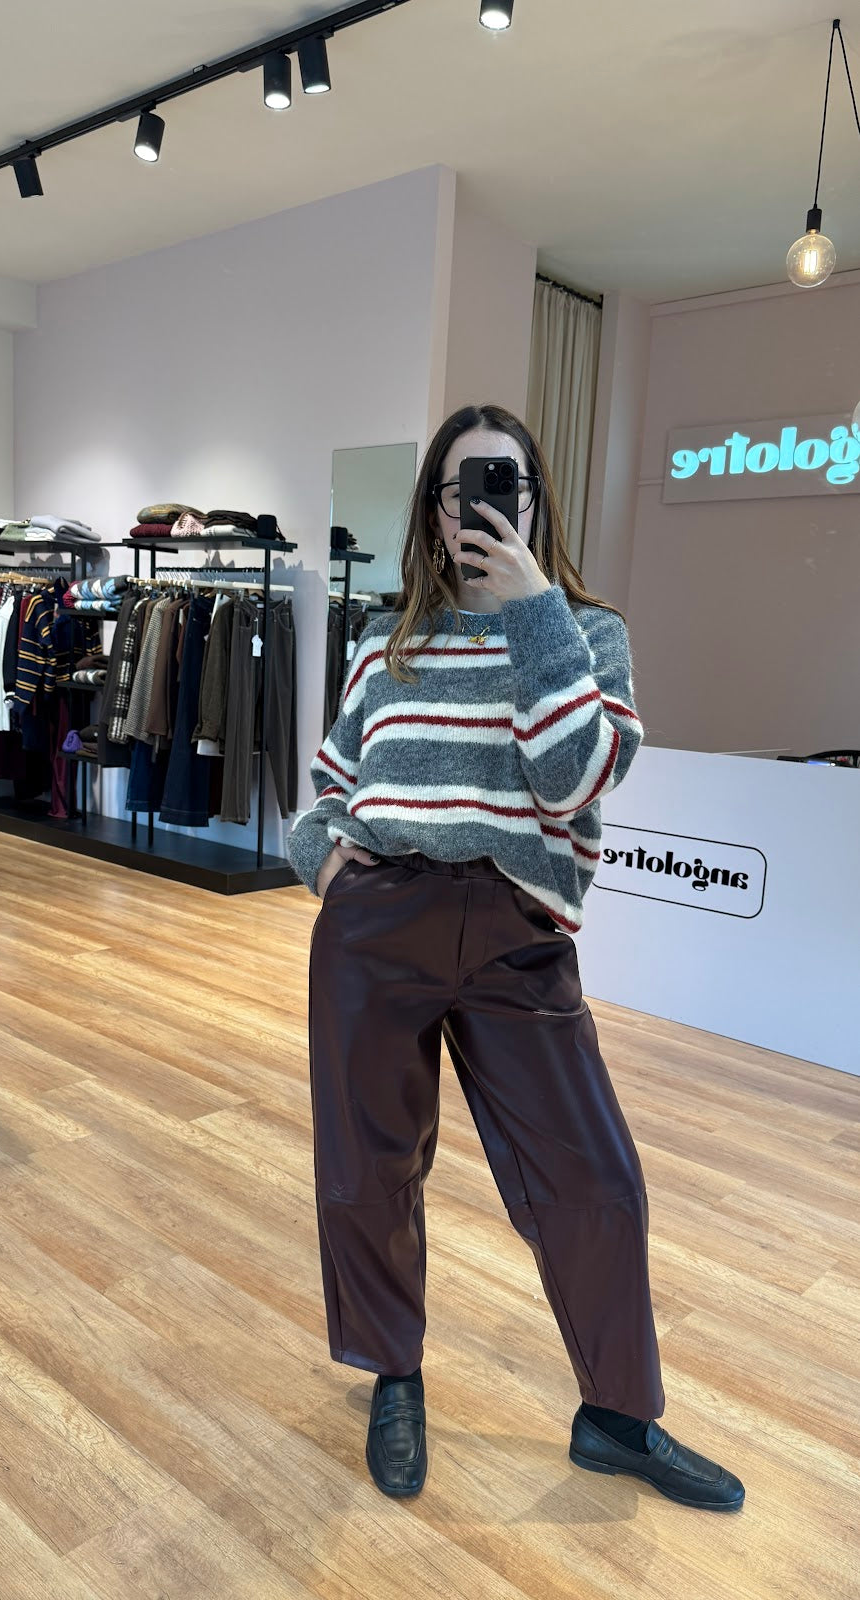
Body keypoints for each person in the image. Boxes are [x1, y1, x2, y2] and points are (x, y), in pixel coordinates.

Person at [286, 403, 745, 1513]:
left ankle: (618, 1418)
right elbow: (334, 778)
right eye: (461, 489)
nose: (481, 508)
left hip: (515, 936)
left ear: (535, 501)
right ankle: (395, 1374)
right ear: (433, 512)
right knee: (368, 1170)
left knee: (594, 1177)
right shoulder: (387, 638)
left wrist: (534, 610)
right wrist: (325, 863)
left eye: (504, 484)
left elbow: (572, 780)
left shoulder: (585, 632)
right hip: (375, 928)